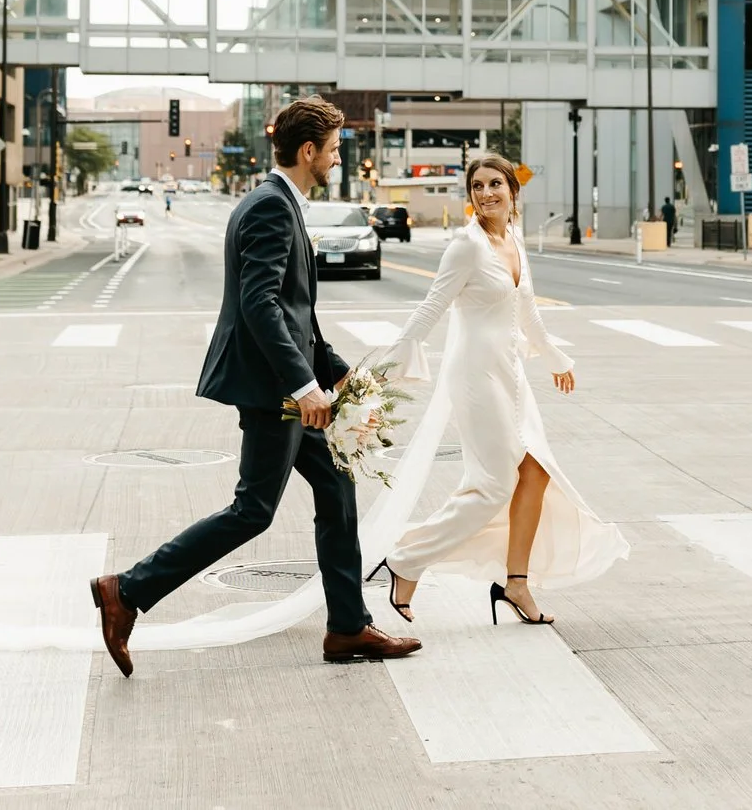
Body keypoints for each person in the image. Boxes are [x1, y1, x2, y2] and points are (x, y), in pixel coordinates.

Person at [90, 96, 420, 674]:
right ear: (308, 150)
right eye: (335, 150)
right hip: (275, 392)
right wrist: (302, 385)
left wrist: (335, 369)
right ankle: (129, 589)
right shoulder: (270, 207)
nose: (339, 160)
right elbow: (260, 304)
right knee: (253, 511)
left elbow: (295, 313)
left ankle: (347, 628)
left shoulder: (281, 203)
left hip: (286, 384)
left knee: (337, 491)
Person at [370, 153, 627, 627]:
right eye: (477, 186)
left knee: (536, 474)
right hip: (474, 376)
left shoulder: (512, 239)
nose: (486, 193)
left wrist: (555, 359)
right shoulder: (466, 247)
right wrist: (388, 367)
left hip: (510, 375)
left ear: (513, 191)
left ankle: (516, 583)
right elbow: (431, 307)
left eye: (495, 184)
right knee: (492, 487)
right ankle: (407, 560)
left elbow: (527, 310)